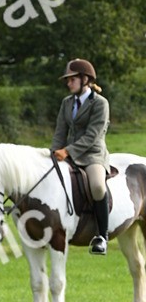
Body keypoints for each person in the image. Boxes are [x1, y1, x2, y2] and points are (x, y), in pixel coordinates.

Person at [51, 58, 111, 255]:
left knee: (97, 185)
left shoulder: (100, 103)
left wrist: (68, 151)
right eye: (68, 80)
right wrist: (53, 153)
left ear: (85, 79)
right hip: (69, 154)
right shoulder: (66, 103)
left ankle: (102, 236)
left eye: (72, 79)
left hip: (92, 154)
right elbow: (60, 132)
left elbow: (92, 136)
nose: (68, 83)